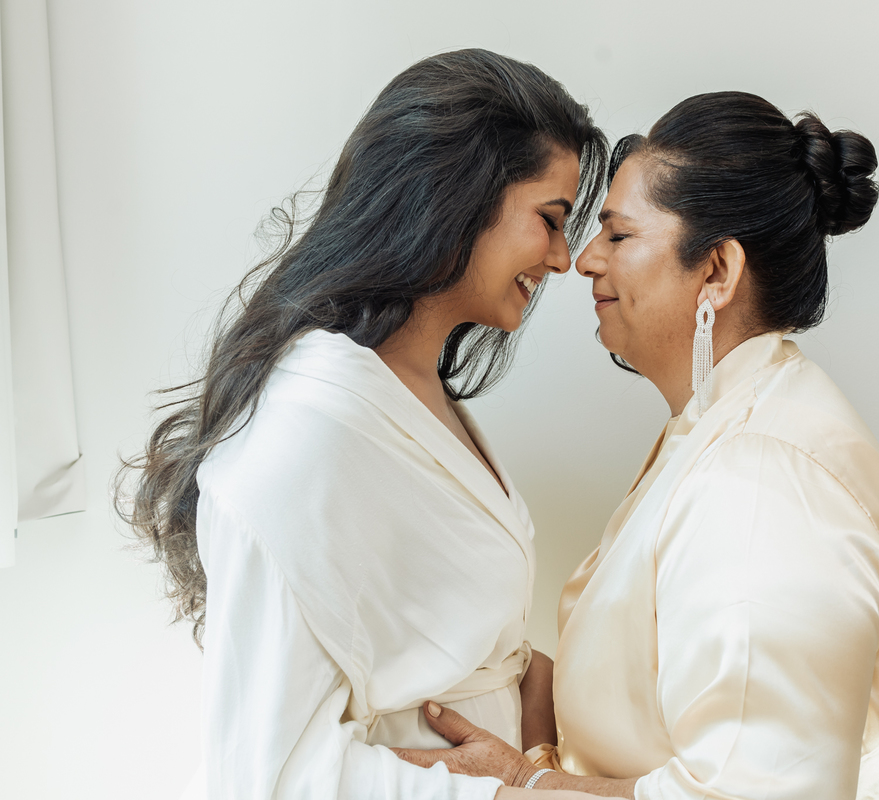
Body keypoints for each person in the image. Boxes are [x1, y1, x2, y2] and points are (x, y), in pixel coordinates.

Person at [394, 92, 879, 800]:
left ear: (717, 270)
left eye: (619, 235)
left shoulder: (763, 483)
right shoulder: (728, 427)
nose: (583, 260)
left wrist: (523, 781)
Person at [117, 49, 611, 800]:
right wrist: (512, 792)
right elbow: (271, 774)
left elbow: (448, 646)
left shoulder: (409, 392)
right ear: (455, 196)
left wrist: (536, 731)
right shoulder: (306, 431)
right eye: (548, 220)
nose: (564, 259)